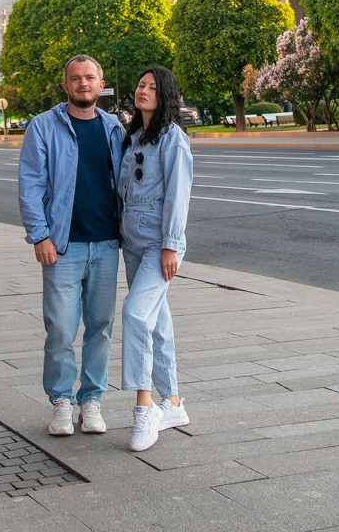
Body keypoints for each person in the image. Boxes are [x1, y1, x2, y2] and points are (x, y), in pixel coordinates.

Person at [18, 55, 125, 437]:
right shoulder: (44, 127)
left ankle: (91, 400)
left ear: (100, 85)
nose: (83, 83)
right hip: (63, 247)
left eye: (90, 77)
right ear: (65, 86)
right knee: (61, 329)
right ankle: (62, 401)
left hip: (106, 244)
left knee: (101, 327)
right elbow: (31, 185)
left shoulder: (113, 127)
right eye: (75, 78)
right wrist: (40, 234)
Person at [118, 66, 193, 451]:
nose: (143, 90)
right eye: (140, 84)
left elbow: (179, 195)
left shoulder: (172, 139)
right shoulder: (133, 138)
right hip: (131, 241)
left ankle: (144, 406)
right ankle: (175, 403)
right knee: (157, 322)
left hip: (157, 245)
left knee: (134, 314)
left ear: (165, 95)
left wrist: (170, 245)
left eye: (152, 87)